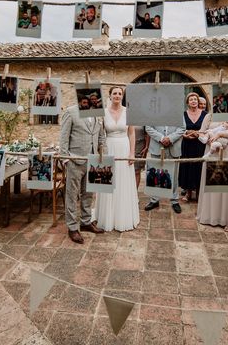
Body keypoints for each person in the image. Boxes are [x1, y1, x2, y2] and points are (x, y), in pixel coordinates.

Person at [94, 87, 140, 231]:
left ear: (122, 96)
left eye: (120, 94)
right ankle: (106, 216)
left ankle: (123, 216)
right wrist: (100, 153)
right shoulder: (103, 112)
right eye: (115, 93)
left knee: (122, 181)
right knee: (107, 180)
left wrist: (132, 153)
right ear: (110, 95)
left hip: (124, 148)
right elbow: (99, 134)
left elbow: (132, 134)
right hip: (108, 148)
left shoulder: (129, 111)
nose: (117, 96)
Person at [60, 102, 106, 244]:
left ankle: (85, 222)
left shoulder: (98, 113)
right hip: (75, 160)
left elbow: (101, 137)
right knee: (72, 195)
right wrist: (65, 160)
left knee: (88, 193)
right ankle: (72, 227)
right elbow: (63, 137)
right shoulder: (70, 111)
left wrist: (104, 157)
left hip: (92, 161)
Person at [197, 121, 228, 230]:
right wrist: (209, 139)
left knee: (227, 183)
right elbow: (201, 133)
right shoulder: (209, 116)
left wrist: (220, 134)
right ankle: (211, 216)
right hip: (212, 150)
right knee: (213, 182)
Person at [143, 124, 185, 213]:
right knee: (155, 174)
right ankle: (154, 200)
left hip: (173, 147)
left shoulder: (177, 110)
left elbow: (182, 128)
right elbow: (148, 127)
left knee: (173, 175)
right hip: (157, 146)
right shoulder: (153, 110)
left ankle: (174, 200)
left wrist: (170, 138)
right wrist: (161, 138)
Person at [178, 92, 211, 202]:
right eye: (191, 99)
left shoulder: (205, 114)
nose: (193, 101)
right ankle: (188, 193)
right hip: (187, 144)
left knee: (198, 167)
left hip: (199, 145)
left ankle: (198, 193)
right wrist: (185, 134)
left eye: (195, 99)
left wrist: (198, 133)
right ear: (187, 102)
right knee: (188, 166)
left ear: (198, 101)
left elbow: (208, 129)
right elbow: (180, 129)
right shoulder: (183, 114)